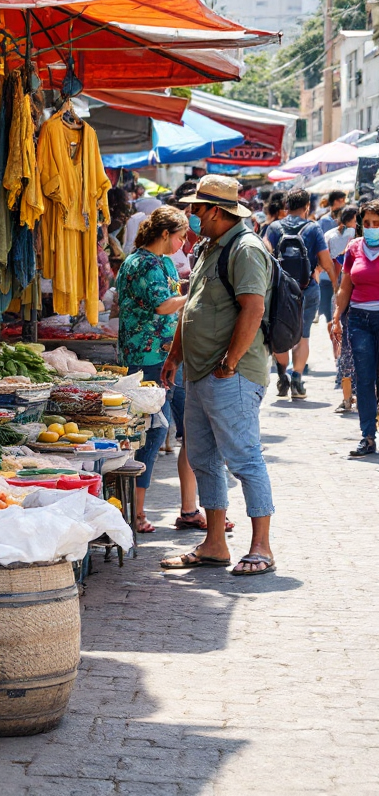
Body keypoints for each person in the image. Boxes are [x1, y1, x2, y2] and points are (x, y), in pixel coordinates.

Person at [161, 174, 275, 576]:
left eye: (196, 208)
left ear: (215, 210)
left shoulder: (245, 248)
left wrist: (229, 363)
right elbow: (191, 305)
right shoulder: (210, 246)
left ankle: (261, 546)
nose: (191, 215)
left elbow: (253, 309)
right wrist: (176, 354)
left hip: (233, 375)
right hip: (200, 371)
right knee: (204, 458)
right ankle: (214, 544)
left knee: (244, 458)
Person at [115, 206, 189, 533]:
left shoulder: (164, 262)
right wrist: (194, 293)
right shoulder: (143, 263)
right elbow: (163, 304)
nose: (183, 243)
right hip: (147, 357)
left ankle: (160, 510)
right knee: (152, 429)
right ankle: (136, 512)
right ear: (164, 234)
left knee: (166, 428)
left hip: (165, 353)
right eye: (180, 236)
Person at [264, 189, 336, 399]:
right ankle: (297, 378)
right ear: (307, 207)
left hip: (280, 291)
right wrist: (331, 282)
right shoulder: (313, 228)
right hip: (307, 289)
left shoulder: (274, 227)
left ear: (286, 206)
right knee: (303, 335)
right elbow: (325, 262)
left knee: (280, 333)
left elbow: (266, 255)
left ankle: (282, 376)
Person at [330, 199, 379, 456]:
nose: (371, 227)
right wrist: (337, 316)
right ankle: (368, 437)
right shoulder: (354, 247)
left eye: (376, 223)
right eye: (367, 223)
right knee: (364, 378)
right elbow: (345, 285)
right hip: (359, 320)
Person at [326, 207, 359, 413]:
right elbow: (339, 274)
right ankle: (350, 398)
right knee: (348, 354)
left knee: (352, 354)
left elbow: (336, 273)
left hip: (356, 306)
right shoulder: (353, 245)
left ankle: (352, 398)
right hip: (351, 307)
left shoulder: (349, 244)